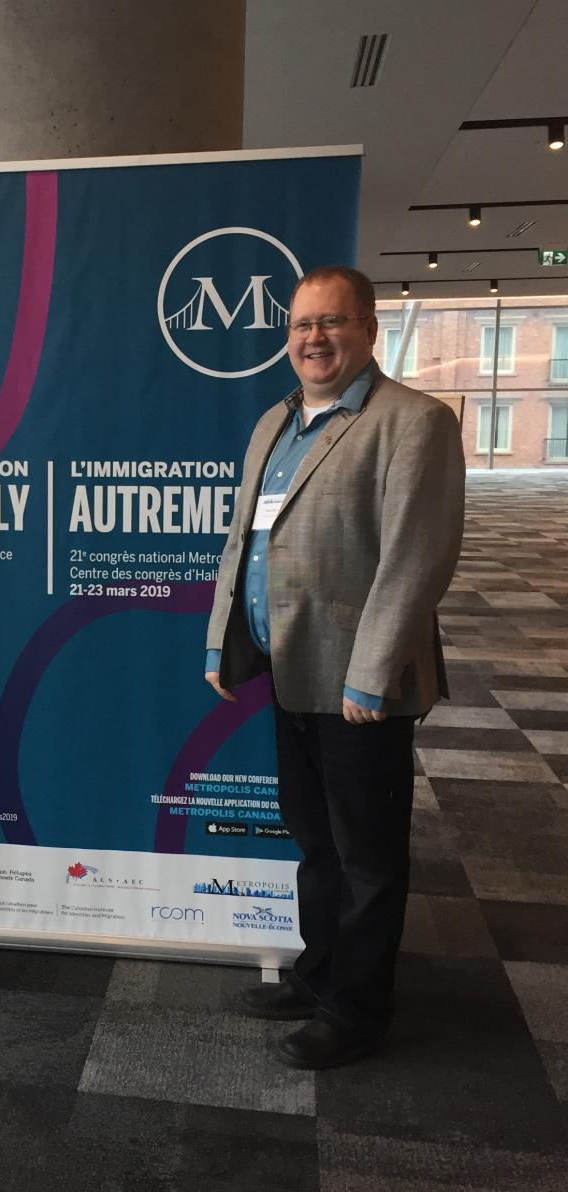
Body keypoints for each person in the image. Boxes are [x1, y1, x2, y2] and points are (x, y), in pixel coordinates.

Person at [205, 266, 465, 1069]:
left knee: (368, 857)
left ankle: (357, 1011)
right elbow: (243, 542)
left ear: (370, 328)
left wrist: (373, 674)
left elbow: (416, 560)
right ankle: (317, 977)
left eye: (333, 322)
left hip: (360, 688)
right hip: (289, 671)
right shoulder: (275, 424)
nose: (313, 338)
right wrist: (223, 641)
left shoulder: (411, 422)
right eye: (301, 325)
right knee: (314, 841)